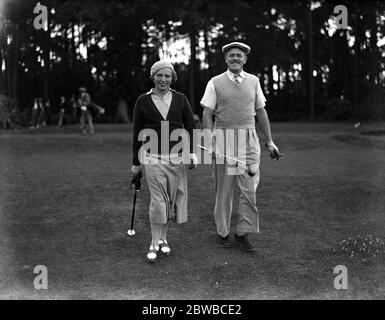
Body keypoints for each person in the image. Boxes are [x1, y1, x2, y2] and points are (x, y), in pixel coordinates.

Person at [200, 42, 282, 252]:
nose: (235, 58)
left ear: (245, 59)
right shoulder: (215, 82)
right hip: (223, 140)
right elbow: (207, 114)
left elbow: (261, 112)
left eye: (239, 55)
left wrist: (269, 141)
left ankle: (243, 233)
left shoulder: (254, 81)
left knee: (249, 190)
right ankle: (224, 233)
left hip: (249, 140)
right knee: (223, 191)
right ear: (226, 59)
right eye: (231, 55)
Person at [131, 61, 198, 263]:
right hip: (152, 158)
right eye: (159, 75)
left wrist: (192, 153)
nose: (163, 79)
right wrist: (136, 162)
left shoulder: (181, 99)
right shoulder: (143, 101)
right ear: (153, 77)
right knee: (158, 201)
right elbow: (137, 134)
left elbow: (191, 127)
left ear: (172, 78)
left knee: (170, 201)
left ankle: (164, 239)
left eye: (167, 76)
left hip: (176, 159)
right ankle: (153, 242)